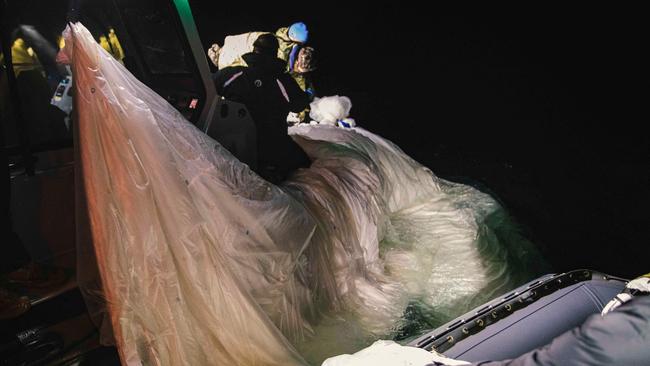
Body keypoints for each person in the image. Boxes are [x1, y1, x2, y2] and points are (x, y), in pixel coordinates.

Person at [214, 33, 311, 183]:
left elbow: (210, 85)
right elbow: (300, 104)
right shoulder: (283, 81)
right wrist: (308, 95)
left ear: (254, 51)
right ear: (275, 54)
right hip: (271, 152)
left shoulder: (234, 74)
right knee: (304, 162)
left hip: (235, 148)